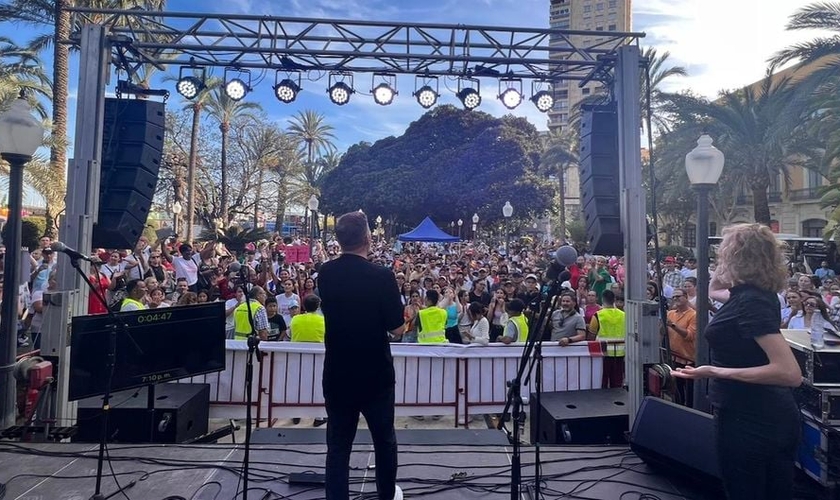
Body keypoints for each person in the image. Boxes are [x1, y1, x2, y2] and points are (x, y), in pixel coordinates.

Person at [673, 223, 803, 500]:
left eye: (724, 254)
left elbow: (789, 373)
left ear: (738, 258)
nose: (720, 258)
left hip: (753, 419)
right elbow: (712, 288)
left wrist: (716, 371)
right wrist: (727, 264)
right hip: (755, 413)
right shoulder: (750, 295)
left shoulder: (750, 303)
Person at [317, 212, 405, 500]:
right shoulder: (382, 276)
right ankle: (386, 496)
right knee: (384, 441)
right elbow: (396, 329)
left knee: (338, 446)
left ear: (339, 239)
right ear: (368, 238)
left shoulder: (326, 273)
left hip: (338, 372)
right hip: (375, 374)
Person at [589, 289, 625, 388]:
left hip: (602, 353)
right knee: (617, 383)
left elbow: (591, 335)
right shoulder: (624, 315)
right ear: (614, 299)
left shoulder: (597, 315)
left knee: (602, 381)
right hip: (620, 354)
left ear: (602, 300)